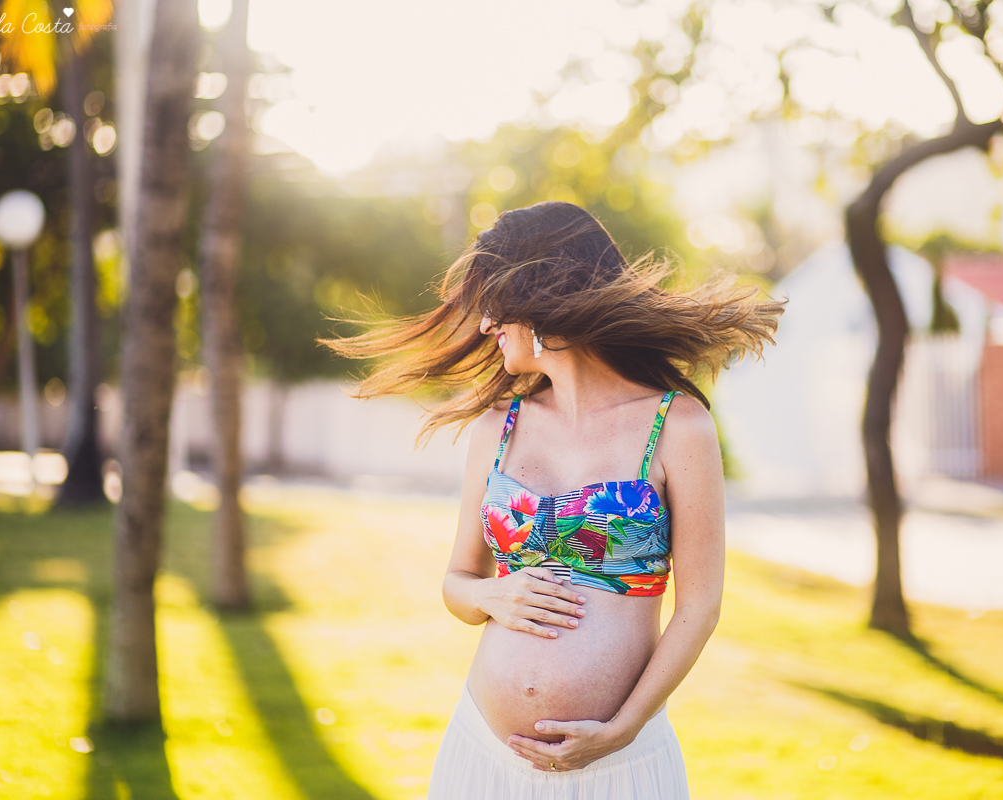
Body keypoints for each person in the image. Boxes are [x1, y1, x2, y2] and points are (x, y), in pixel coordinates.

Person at [324, 201, 783, 798]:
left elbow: (699, 608)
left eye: (493, 304)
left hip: (619, 765)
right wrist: (493, 592)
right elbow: (457, 583)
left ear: (536, 294)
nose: (486, 326)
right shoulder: (499, 426)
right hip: (483, 757)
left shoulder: (676, 425)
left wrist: (622, 729)